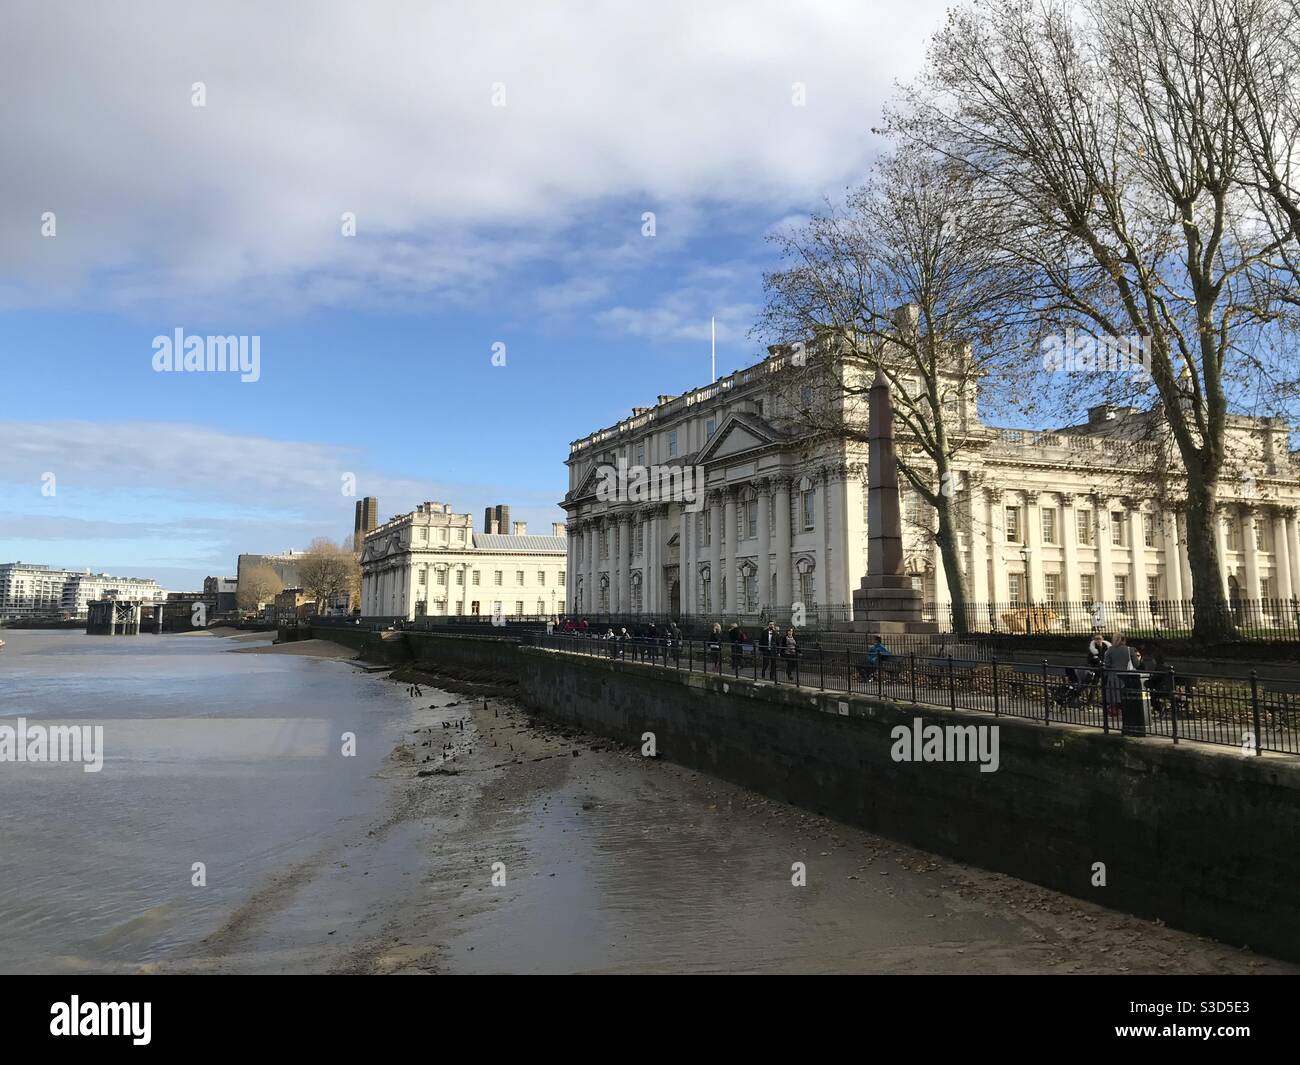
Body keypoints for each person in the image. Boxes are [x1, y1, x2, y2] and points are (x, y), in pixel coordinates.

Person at [1102, 634, 1138, 718]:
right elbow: (1136, 664)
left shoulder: (1110, 650)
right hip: (1127, 675)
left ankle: (1115, 710)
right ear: (1124, 640)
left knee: (1114, 695)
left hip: (1113, 675)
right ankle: (1127, 711)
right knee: (1126, 694)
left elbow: (1106, 664)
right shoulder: (1130, 650)